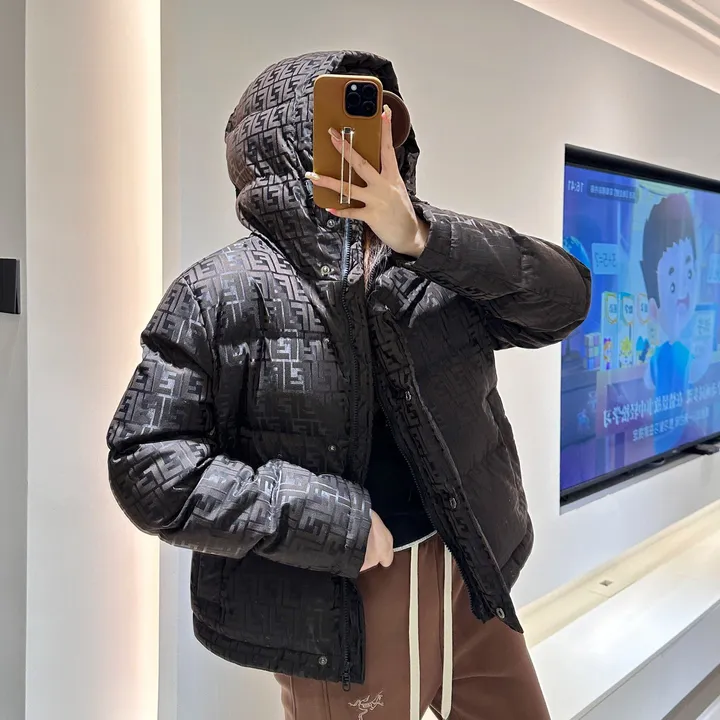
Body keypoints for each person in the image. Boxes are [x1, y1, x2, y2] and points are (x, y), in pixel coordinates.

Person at [108, 50, 591, 720]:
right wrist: (329, 521)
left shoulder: (431, 263)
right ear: (283, 149)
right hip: (340, 609)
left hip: (468, 579)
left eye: (384, 122)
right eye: (344, 126)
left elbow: (564, 301)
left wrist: (420, 234)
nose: (370, 141)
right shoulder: (218, 292)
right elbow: (148, 466)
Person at [641, 193, 708, 454]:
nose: (682, 291)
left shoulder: (670, 353)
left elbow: (650, 381)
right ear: (653, 305)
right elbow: (694, 373)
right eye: (671, 281)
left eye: (689, 273)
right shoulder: (672, 353)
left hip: (671, 432)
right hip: (663, 433)